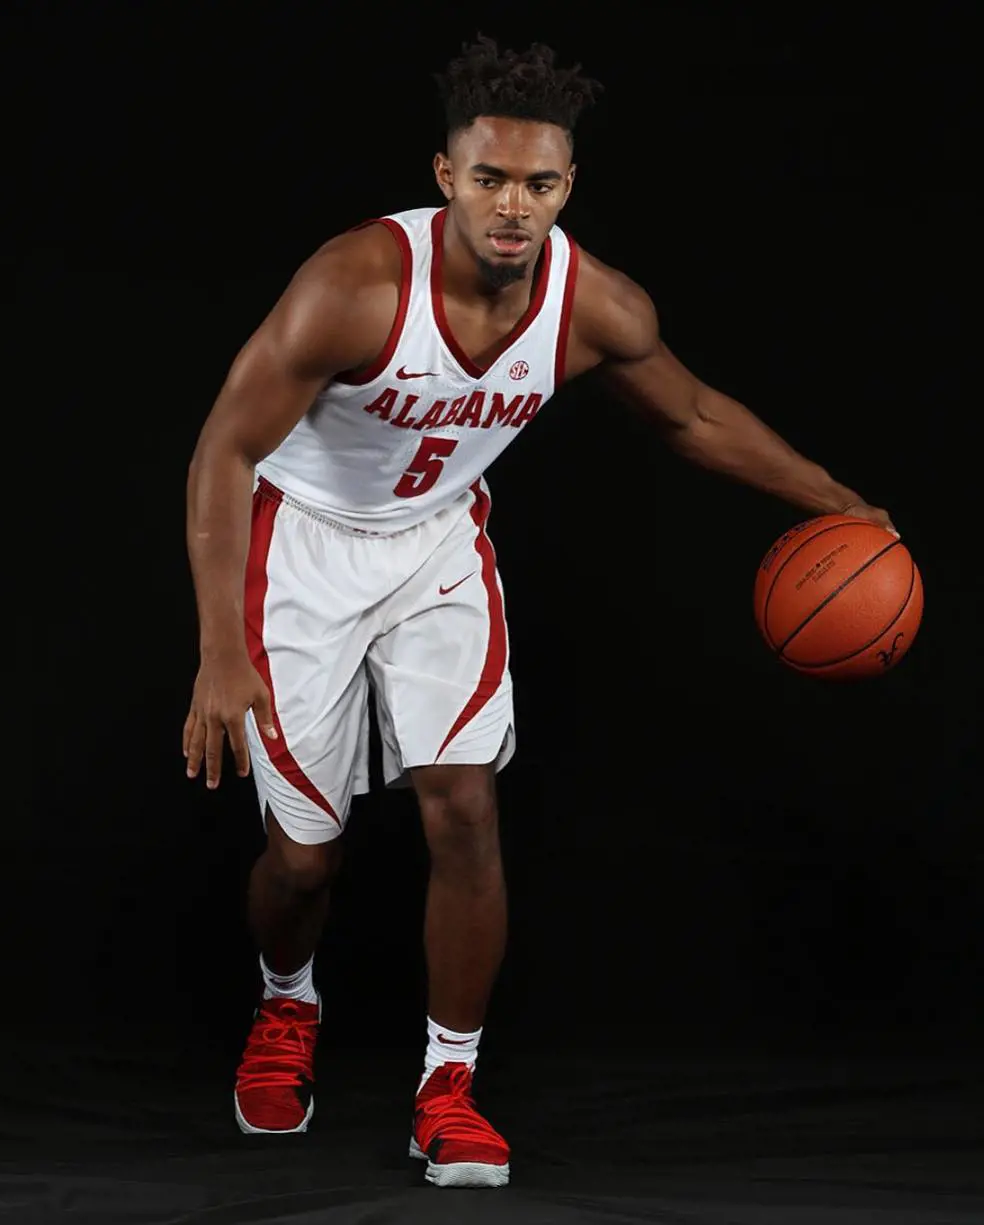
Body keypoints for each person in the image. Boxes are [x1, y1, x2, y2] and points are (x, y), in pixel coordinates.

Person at [182, 36, 896, 1190]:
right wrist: (220, 648)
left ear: (568, 186)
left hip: (439, 547)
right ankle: (286, 1000)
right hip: (300, 545)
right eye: (492, 180)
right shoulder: (354, 286)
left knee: (463, 808)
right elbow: (224, 447)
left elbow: (694, 416)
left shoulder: (593, 303)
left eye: (542, 184)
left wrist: (839, 501)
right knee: (302, 863)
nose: (516, 208)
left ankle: (448, 1085)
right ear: (446, 176)